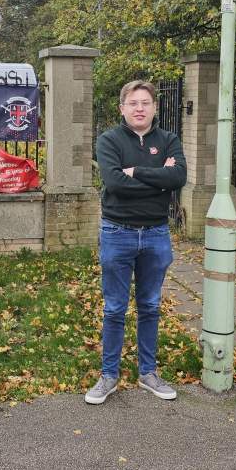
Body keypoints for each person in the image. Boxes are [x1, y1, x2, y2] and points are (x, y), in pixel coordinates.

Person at [85, 80, 187, 404]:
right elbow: (114, 183)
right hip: (118, 233)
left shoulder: (169, 140)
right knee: (115, 308)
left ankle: (148, 373)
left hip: (156, 234)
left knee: (150, 306)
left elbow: (178, 178)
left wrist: (136, 171)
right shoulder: (109, 140)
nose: (139, 108)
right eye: (133, 103)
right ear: (122, 108)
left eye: (145, 102)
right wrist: (158, 180)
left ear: (155, 107)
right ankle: (109, 376)